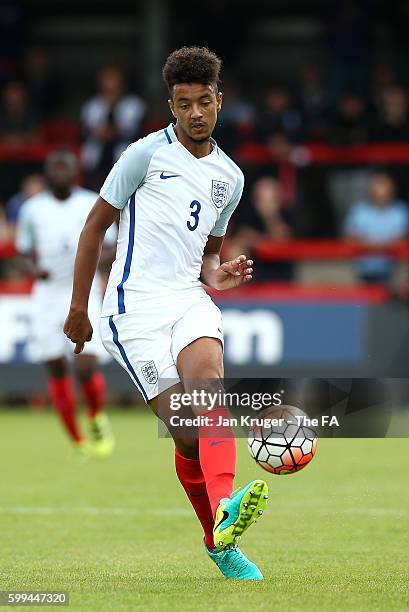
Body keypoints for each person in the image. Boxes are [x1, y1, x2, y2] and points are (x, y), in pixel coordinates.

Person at [64, 46, 269, 581]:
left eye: (205, 102)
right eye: (184, 104)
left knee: (209, 390)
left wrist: (216, 276)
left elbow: (207, 254)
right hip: (133, 313)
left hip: (187, 300)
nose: (195, 113)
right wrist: (78, 306)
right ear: (171, 107)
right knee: (186, 434)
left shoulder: (231, 177)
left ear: (220, 102)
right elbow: (93, 229)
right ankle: (215, 540)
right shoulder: (143, 156)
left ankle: (225, 516)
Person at [16, 150, 117, 457]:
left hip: (83, 291)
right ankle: (76, 439)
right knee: (55, 366)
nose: (60, 173)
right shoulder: (32, 209)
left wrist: (94, 266)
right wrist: (34, 269)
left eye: (66, 168)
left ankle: (95, 416)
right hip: (47, 295)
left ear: (76, 173)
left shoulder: (91, 203)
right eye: (55, 168)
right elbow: (23, 251)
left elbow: (113, 245)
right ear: (48, 173)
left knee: (85, 365)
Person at [80, 64, 146, 190]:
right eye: (107, 79)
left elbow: (138, 133)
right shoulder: (92, 105)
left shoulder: (134, 104)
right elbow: (83, 133)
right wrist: (97, 132)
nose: (110, 84)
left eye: (113, 79)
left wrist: (114, 132)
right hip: (95, 162)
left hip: (124, 162)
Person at [344, 171, 409, 283]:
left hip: (395, 272)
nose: (381, 197)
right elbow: (350, 240)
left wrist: (374, 244)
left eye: (385, 194)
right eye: (377, 194)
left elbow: (404, 240)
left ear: (392, 193)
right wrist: (381, 245)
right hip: (363, 271)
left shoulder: (402, 211)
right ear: (371, 193)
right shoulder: (359, 211)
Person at [227, 176, 294, 281]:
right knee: (235, 251)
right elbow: (240, 236)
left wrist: (270, 216)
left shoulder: (288, 213)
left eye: (270, 198)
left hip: (281, 273)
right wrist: (262, 241)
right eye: (261, 198)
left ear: (278, 198)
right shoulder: (247, 212)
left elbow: (281, 241)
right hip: (254, 269)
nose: (265, 202)